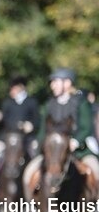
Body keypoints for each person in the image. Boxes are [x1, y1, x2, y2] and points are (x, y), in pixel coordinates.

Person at [22, 67, 99, 196]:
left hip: (79, 151)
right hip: (52, 153)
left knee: (96, 171)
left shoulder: (81, 103)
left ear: (67, 83)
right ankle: (30, 209)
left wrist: (75, 141)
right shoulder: (49, 104)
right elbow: (43, 130)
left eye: (55, 81)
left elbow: (86, 127)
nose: (52, 85)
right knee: (28, 173)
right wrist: (38, 145)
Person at [0, 76, 39, 199]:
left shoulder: (31, 102)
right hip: (6, 139)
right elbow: (3, 123)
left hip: (26, 139)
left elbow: (37, 122)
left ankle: (37, 184)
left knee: (37, 157)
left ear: (21, 87)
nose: (11, 90)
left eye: (13, 87)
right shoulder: (7, 103)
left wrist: (30, 126)